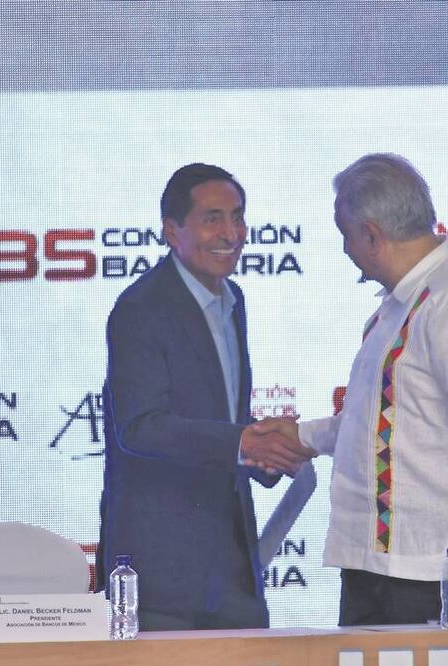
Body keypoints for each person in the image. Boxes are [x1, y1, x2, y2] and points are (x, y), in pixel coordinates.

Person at [265, 153, 448, 625]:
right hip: (382, 568)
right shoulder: (403, 303)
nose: (346, 250)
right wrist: (302, 437)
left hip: (440, 574)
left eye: (345, 235)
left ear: (371, 234)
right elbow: (387, 421)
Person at [96, 163, 313, 631]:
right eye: (213, 218)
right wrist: (244, 442)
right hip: (161, 576)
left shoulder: (233, 301)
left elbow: (218, 414)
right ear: (172, 231)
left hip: (232, 567)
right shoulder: (141, 308)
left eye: (238, 217)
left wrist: (268, 451)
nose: (231, 232)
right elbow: (140, 427)